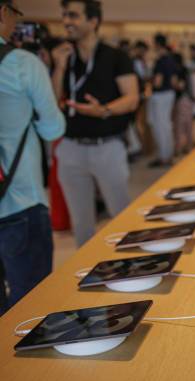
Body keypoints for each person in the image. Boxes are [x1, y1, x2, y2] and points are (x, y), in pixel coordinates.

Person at [51, 0, 139, 247]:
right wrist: (58, 67)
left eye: (73, 16)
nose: (67, 21)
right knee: (81, 221)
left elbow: (132, 98)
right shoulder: (63, 56)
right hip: (70, 147)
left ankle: (130, 270)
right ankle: (88, 272)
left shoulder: (116, 56)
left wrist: (104, 110)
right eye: (64, 15)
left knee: (121, 215)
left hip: (107, 146)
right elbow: (54, 101)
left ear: (93, 21)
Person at [0, 0, 65, 314]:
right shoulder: (22, 63)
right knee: (30, 307)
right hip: (19, 199)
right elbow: (53, 128)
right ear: (3, 12)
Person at [147, 33, 178, 167]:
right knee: (165, 125)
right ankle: (167, 155)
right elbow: (174, 80)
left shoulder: (160, 61)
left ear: (157, 44)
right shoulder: (171, 59)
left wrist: (149, 82)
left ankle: (163, 156)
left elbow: (158, 82)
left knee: (159, 125)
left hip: (159, 95)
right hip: (169, 93)